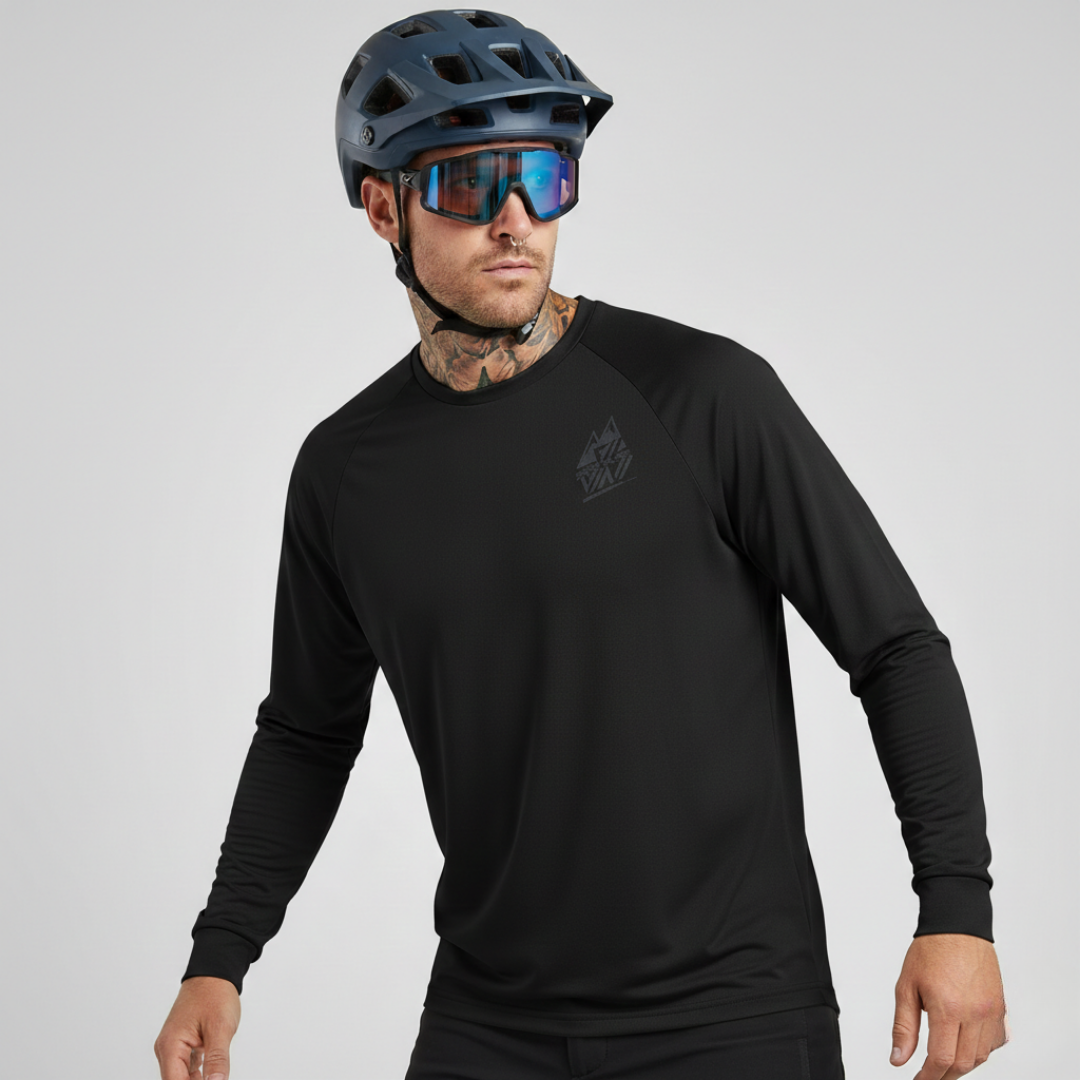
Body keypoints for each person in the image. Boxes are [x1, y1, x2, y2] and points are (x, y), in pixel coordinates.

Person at [154, 10, 1009, 1080]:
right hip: (489, 1023)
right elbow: (306, 734)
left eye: (543, 178)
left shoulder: (702, 395)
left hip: (731, 1018)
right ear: (382, 207)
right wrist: (220, 958)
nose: (514, 219)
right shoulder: (344, 474)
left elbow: (894, 646)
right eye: (469, 183)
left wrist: (957, 909)